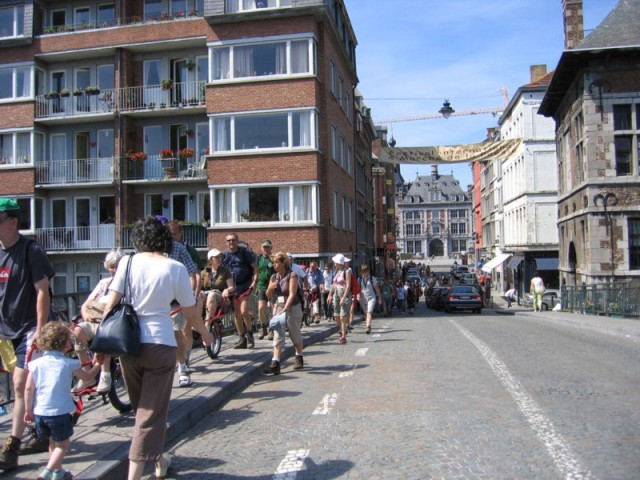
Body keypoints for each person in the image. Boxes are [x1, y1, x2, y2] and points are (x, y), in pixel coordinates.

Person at [101, 216, 212, 480]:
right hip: (160, 344)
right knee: (149, 415)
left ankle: (160, 459)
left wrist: (101, 343)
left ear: (138, 239)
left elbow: (110, 304)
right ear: (164, 239)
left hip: (128, 345)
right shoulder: (174, 268)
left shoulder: (126, 263)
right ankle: (135, 475)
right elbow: (191, 313)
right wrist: (205, 334)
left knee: (143, 411)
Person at [0, 198, 56, 471]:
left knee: (20, 385)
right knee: (20, 386)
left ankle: (11, 448)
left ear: (13, 221)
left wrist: (39, 329)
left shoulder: (31, 250)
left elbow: (42, 290)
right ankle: (40, 428)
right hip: (3, 329)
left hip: (27, 328)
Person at [24, 321, 102, 480]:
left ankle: (57, 472)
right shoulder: (68, 363)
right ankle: (46, 472)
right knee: (63, 445)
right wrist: (98, 364)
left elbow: (28, 389)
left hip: (40, 413)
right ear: (66, 343)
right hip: (59, 413)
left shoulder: (35, 364)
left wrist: (27, 410)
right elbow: (88, 377)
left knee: (53, 443)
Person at [156, 216, 198, 387]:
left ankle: (182, 368)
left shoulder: (179, 249)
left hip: (174, 300)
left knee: (175, 332)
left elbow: (192, 272)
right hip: (154, 301)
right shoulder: (146, 252)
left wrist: (189, 294)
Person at [74, 249, 123, 394]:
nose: (114, 270)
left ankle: (105, 374)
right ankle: (86, 373)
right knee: (77, 331)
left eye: (117, 266)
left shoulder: (125, 285)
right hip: (93, 320)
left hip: (112, 323)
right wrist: (84, 313)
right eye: (111, 267)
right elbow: (86, 303)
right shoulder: (104, 283)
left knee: (104, 333)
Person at [263, 252, 304, 374]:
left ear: (283, 263)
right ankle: (275, 363)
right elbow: (268, 295)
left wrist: (286, 307)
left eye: (277, 262)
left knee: (294, 334)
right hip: (279, 307)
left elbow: (292, 294)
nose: (274, 265)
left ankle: (299, 356)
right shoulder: (274, 277)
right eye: (273, 263)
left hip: (293, 307)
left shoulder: (292, 275)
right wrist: (270, 288)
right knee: (278, 335)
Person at [222, 233, 258, 349]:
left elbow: (255, 269)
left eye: (233, 240)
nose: (231, 242)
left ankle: (250, 336)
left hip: (245, 286)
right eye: (229, 241)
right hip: (233, 288)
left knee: (243, 311)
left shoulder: (244, 253)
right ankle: (242, 338)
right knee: (236, 314)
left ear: (237, 241)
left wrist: (254, 281)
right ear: (226, 242)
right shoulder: (224, 255)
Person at [201, 249, 235, 327]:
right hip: (206, 295)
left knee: (212, 294)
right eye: (216, 257)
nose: (219, 259)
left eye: (220, 257)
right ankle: (198, 322)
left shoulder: (225, 271)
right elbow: (199, 288)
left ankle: (207, 323)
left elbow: (231, 287)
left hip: (220, 296)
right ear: (210, 259)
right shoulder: (204, 272)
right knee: (199, 295)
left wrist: (227, 289)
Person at [327, 254, 351, 344]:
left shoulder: (347, 271)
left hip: (344, 293)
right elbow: (333, 284)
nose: (334, 264)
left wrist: (343, 297)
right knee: (336, 315)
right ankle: (342, 330)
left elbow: (348, 285)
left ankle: (343, 336)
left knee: (343, 316)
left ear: (338, 262)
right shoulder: (337, 271)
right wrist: (330, 294)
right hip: (336, 293)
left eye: (335, 262)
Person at [256, 240, 275, 339]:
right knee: (261, 308)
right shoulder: (258, 259)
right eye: (264, 247)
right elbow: (255, 271)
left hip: (272, 286)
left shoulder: (274, 258)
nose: (266, 249)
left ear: (271, 248)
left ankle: (271, 329)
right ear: (261, 248)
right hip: (261, 286)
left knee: (272, 308)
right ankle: (263, 327)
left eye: (267, 247)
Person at [358, 265, 381, 334]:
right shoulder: (359, 279)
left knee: (369, 312)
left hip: (371, 297)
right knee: (366, 313)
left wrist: (379, 298)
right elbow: (358, 289)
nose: (364, 273)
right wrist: (358, 294)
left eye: (365, 271)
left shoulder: (372, 278)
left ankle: (367, 326)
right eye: (363, 272)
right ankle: (368, 325)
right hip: (363, 298)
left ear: (368, 271)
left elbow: (377, 289)